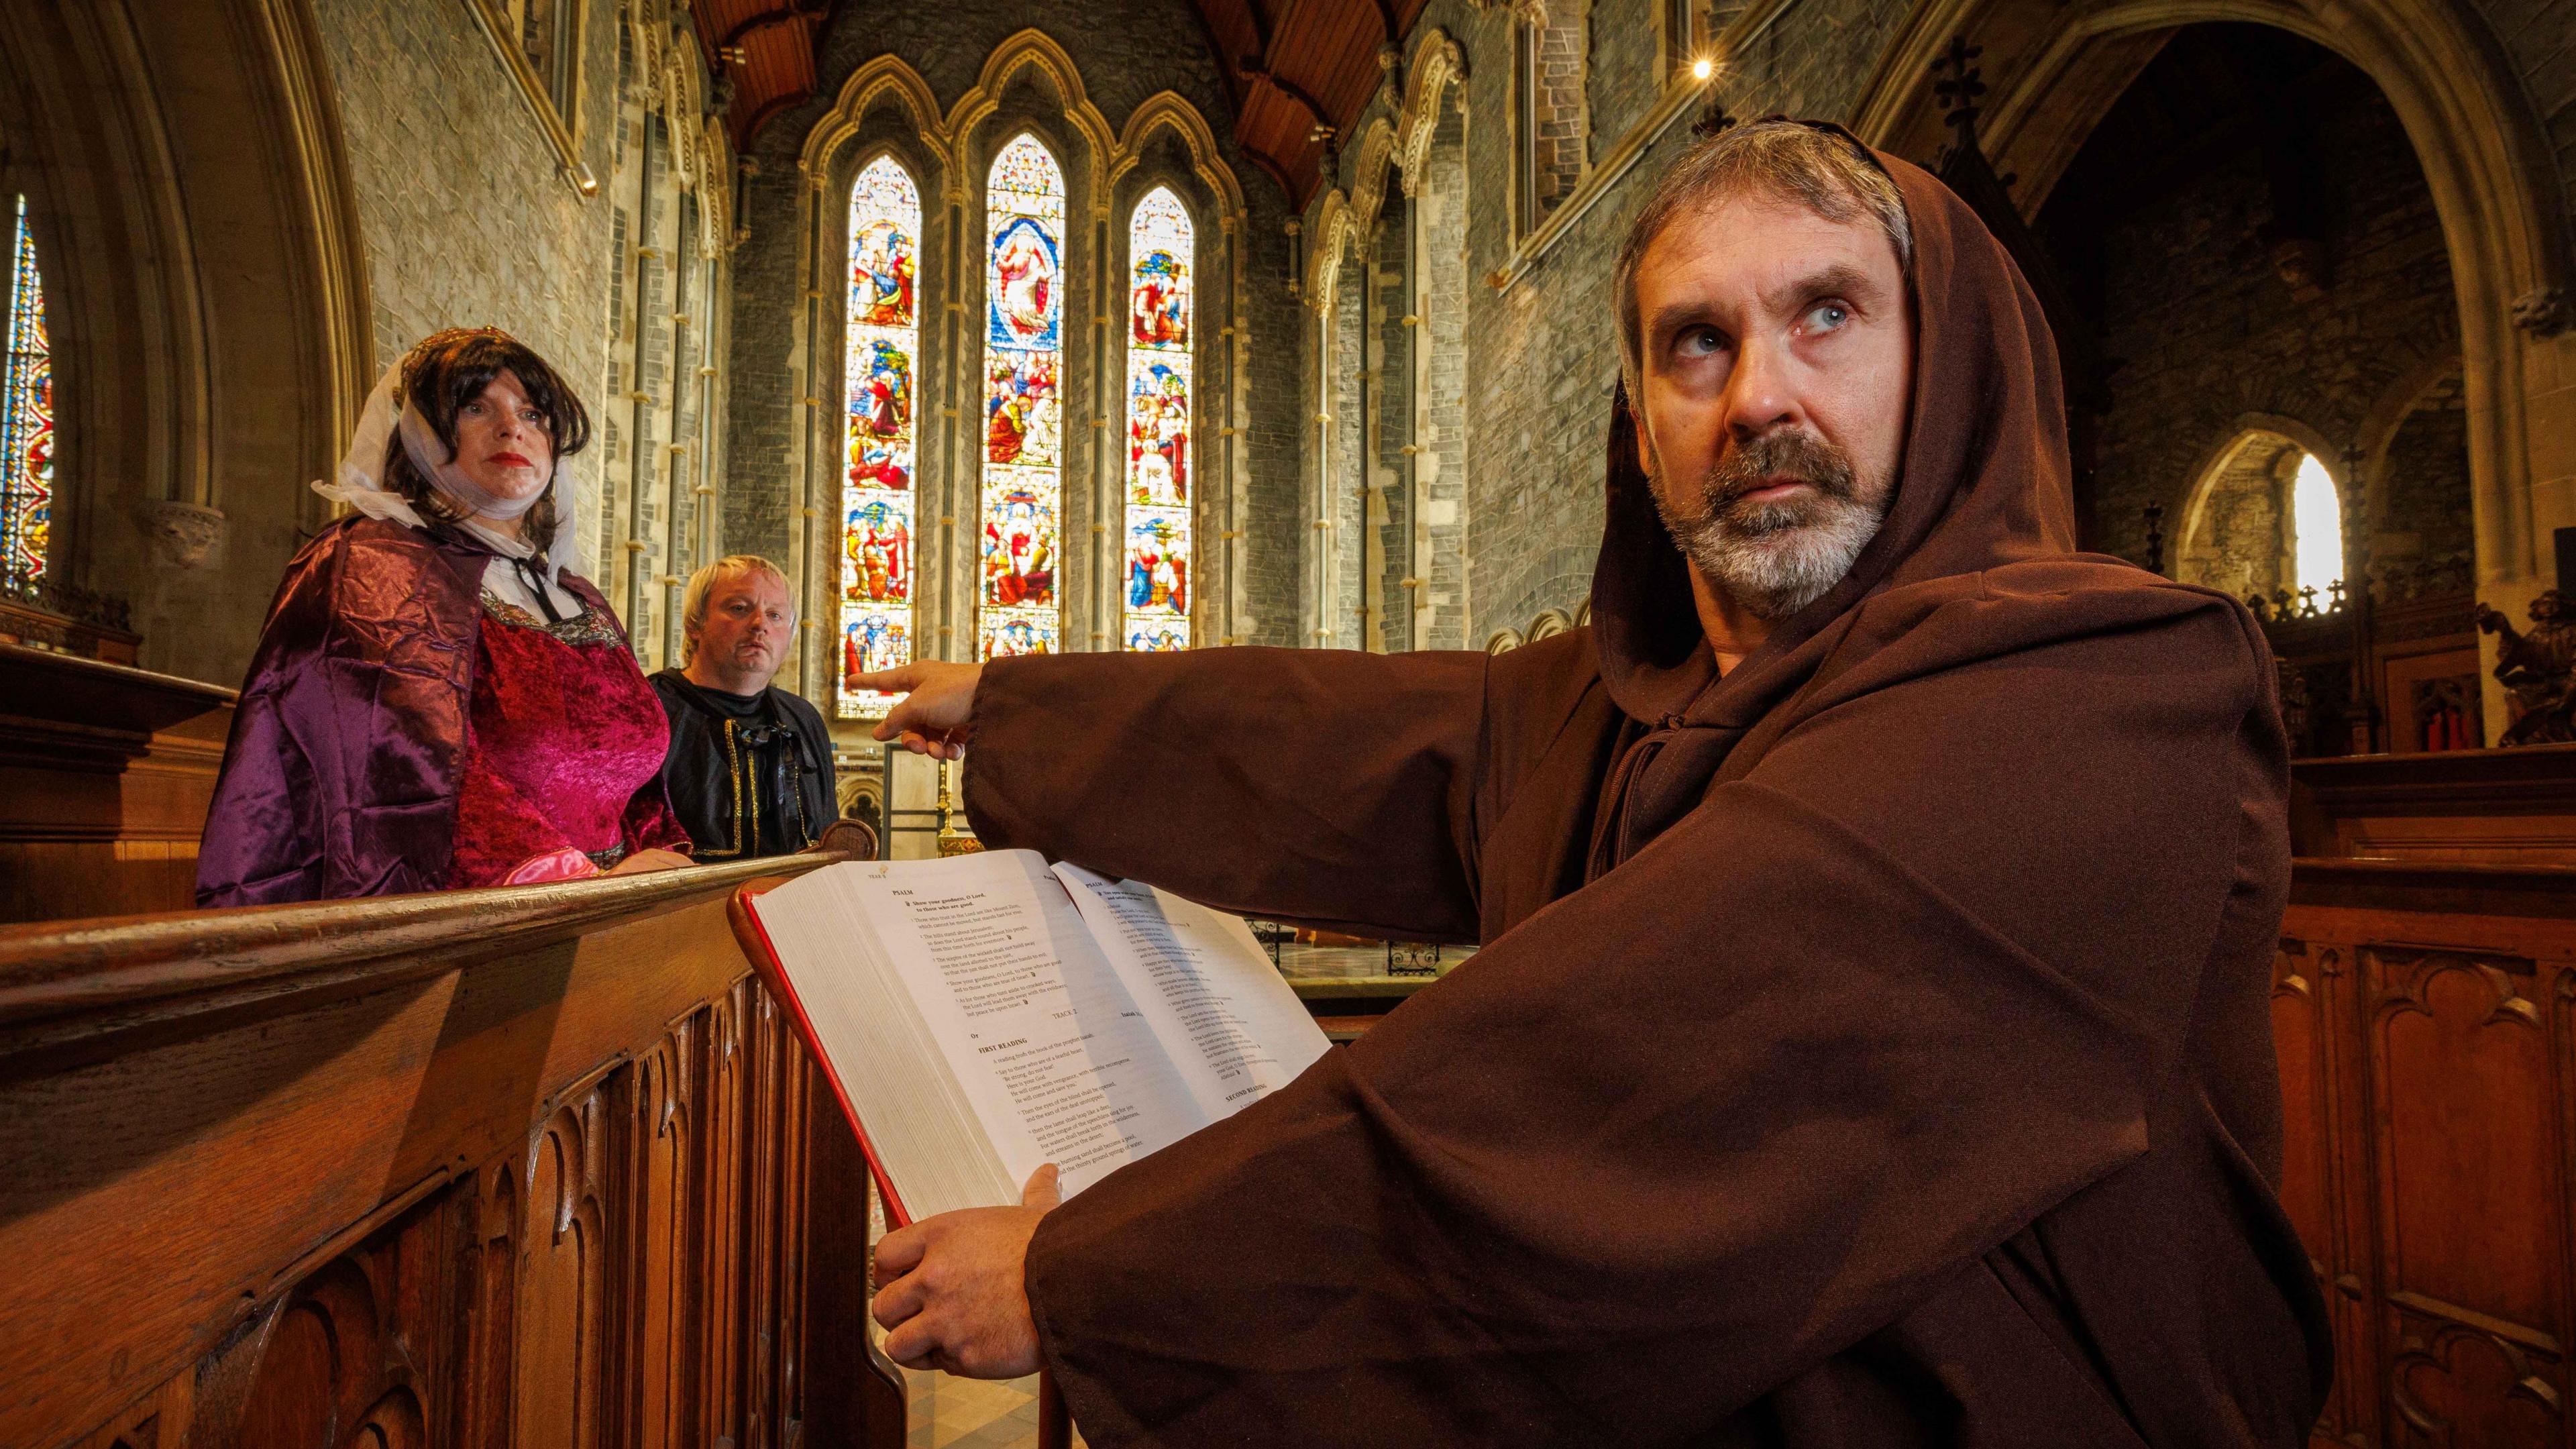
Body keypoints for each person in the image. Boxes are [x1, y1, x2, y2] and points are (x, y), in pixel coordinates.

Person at [850, 121, 2330, 1447]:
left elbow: (1630, 1067)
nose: (1761, 396)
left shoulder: (2109, 687)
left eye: (1828, 315)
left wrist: (1096, 1282)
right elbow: (1336, 734)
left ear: (1947, 367)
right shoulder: (1639, 698)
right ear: (1638, 424)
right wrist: (1020, 712)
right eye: (1697, 343)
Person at [199, 328, 692, 906]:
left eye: (533, 414)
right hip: (472, 917)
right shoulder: (375, 564)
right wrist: (579, 885)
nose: (512, 428)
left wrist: (658, 862)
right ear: (420, 432)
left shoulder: (576, 596)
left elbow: (631, 773)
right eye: (476, 407)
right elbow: (409, 765)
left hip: (611, 913)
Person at [649, 556, 838, 859]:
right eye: (739, 608)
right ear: (694, 624)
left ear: (789, 639)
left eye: (775, 615)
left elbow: (829, 840)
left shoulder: (803, 719)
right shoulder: (648, 708)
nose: (759, 624)